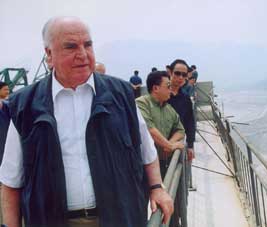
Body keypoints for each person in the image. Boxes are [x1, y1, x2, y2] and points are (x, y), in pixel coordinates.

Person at [0, 16, 173, 227]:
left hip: (118, 218)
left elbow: (147, 152)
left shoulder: (121, 95)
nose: (82, 54)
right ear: (49, 54)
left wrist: (157, 187)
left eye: (88, 45)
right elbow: (11, 182)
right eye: (71, 46)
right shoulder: (24, 106)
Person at [136, 71, 185, 178]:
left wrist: (169, 144)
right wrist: (169, 146)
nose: (171, 89)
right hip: (144, 166)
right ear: (156, 88)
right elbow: (149, 129)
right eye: (168, 86)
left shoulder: (169, 108)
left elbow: (180, 130)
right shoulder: (141, 104)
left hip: (162, 163)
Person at [167, 59, 196, 162]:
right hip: (161, 147)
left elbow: (190, 122)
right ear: (170, 72)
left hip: (178, 145)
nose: (180, 77)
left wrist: (190, 145)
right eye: (177, 73)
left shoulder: (185, 98)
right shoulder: (161, 96)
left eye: (184, 75)